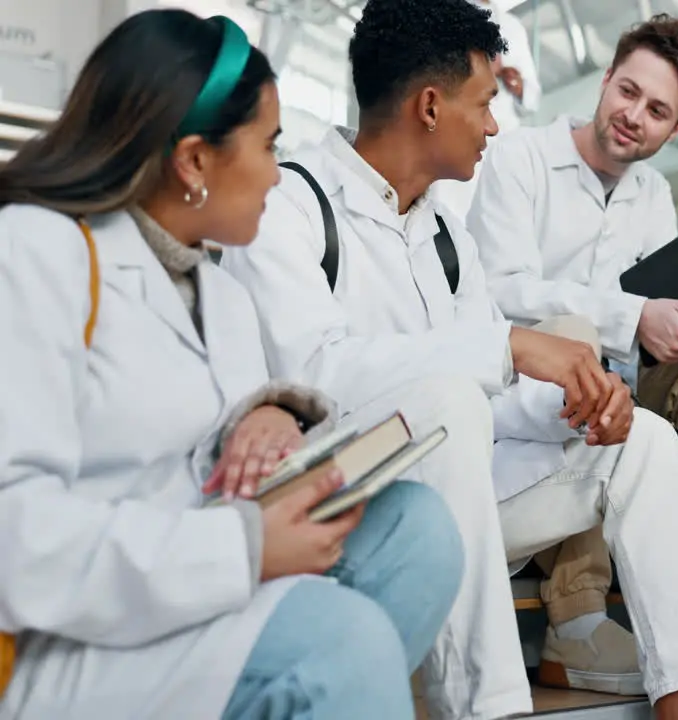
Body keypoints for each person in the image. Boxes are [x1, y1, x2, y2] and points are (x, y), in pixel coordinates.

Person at [218, 1, 678, 718]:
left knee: (640, 439)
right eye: (486, 102)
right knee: (451, 396)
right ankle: (489, 706)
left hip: (466, 486)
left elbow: (494, 399)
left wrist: (577, 403)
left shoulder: (442, 235)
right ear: (430, 107)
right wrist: (509, 345)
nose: (494, 123)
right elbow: (315, 375)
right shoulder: (293, 202)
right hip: (354, 506)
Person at [0, 11, 462, 719]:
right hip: (74, 641)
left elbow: (202, 437)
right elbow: (17, 540)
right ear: (193, 161)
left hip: (201, 580)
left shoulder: (217, 289)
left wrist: (268, 417)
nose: (280, 173)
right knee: (344, 645)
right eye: (269, 146)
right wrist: (242, 548)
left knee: (417, 533)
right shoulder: (36, 253)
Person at [467, 13, 678, 685]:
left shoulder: (653, 193)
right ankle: (575, 617)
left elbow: (652, 324)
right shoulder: (518, 157)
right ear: (605, 79)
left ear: (676, 129)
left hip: (619, 387)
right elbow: (502, 291)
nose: (635, 114)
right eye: (628, 91)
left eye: (658, 109)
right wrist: (633, 317)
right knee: (579, 344)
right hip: (522, 385)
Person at [430, 0, 541, 219]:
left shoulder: (513, 27)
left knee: (500, 216)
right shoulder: (445, 14)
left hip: (502, 139)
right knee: (452, 212)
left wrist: (516, 83)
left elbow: (532, 97)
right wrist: (479, 68)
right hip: (458, 131)